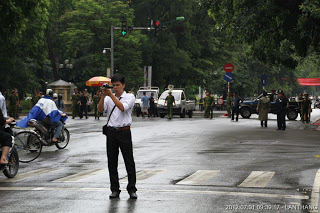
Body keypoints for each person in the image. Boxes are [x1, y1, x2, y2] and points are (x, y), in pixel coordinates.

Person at [97, 73, 137, 199]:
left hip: (124, 131)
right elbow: (99, 110)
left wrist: (110, 95)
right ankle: (114, 189)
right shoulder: (108, 97)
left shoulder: (129, 97)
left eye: (118, 85)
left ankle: (132, 189)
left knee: (128, 161)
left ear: (123, 85)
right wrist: (103, 96)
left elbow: (122, 108)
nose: (115, 88)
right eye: (113, 85)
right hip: (111, 132)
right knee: (112, 162)